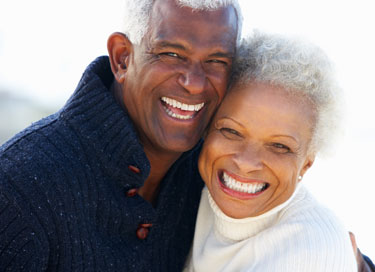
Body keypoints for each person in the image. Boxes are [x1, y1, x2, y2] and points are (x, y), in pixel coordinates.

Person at [0, 0, 241, 270]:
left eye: (217, 61)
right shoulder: (18, 189)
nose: (195, 84)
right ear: (122, 58)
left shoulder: (218, 179)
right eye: (172, 54)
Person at [184, 32, 359, 271]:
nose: (246, 162)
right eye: (231, 131)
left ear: (307, 163)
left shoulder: (312, 251)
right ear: (207, 130)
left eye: (279, 146)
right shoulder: (188, 189)